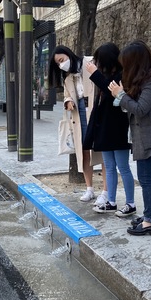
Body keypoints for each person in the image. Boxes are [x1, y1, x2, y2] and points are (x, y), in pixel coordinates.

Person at [109, 40, 151, 236]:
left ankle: (150, 221)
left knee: (146, 180)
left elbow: (141, 109)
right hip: (147, 136)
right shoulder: (145, 81)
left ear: (136, 63)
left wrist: (120, 95)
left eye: (126, 64)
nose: (124, 68)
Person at [83, 43, 137, 217]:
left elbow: (111, 90)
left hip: (118, 129)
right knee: (109, 166)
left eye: (99, 61)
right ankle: (111, 201)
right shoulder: (107, 76)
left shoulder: (122, 76)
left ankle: (130, 203)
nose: (97, 64)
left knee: (123, 167)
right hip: (104, 129)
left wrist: (95, 74)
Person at [49, 45, 106, 204]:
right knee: (84, 150)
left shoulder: (90, 62)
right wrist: (67, 101)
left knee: (102, 150)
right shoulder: (67, 77)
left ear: (68, 54)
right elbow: (68, 95)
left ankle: (106, 191)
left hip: (96, 108)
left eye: (62, 60)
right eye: (58, 64)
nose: (61, 64)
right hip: (79, 111)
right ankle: (89, 189)